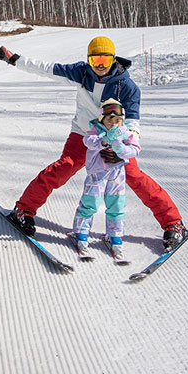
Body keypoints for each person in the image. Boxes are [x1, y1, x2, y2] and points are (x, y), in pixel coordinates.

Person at [0, 35, 188, 250]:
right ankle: (24, 210)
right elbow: (47, 68)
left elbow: (132, 124)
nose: (101, 66)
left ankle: (173, 223)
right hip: (83, 133)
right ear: (89, 60)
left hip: (115, 140)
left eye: (105, 60)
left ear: (114, 59)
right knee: (64, 167)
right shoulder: (81, 73)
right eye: (96, 61)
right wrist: (15, 60)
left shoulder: (128, 87)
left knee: (133, 176)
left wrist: (122, 151)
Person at [72, 98, 140, 259]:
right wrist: (105, 140)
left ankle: (115, 235)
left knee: (116, 205)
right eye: (110, 119)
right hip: (97, 174)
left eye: (118, 119)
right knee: (91, 203)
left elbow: (135, 149)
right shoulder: (95, 130)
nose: (114, 123)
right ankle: (81, 232)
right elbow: (88, 141)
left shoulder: (125, 133)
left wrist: (122, 148)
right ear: (102, 118)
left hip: (116, 174)